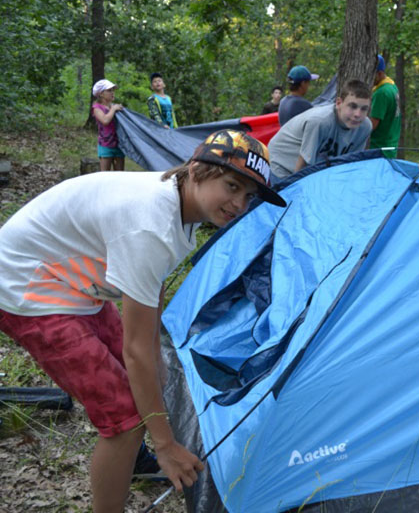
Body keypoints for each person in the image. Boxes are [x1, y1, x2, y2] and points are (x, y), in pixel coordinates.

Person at [0, 130, 286, 512]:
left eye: (248, 196)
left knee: (145, 379)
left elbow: (156, 287)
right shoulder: (149, 223)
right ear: (198, 170)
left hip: (72, 281)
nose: (238, 203)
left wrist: (155, 354)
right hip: (26, 285)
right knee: (126, 416)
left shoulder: (179, 202)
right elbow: (135, 352)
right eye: (231, 185)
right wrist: (165, 444)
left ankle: (130, 461)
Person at [267, 79, 373, 180]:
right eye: (352, 106)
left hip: (316, 165)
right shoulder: (320, 121)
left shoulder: (365, 127)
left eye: (364, 109)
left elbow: (351, 163)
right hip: (283, 163)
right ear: (339, 103)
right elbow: (303, 164)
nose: (358, 114)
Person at [370, 55, 401, 158]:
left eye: (371, 74)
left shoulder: (382, 93)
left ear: (379, 73)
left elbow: (372, 125)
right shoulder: (392, 85)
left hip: (379, 150)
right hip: (390, 146)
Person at [92, 79, 125, 172]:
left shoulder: (114, 107)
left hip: (118, 145)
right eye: (109, 90)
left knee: (120, 174)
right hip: (105, 145)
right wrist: (113, 109)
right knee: (105, 175)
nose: (112, 93)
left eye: (113, 90)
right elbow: (105, 120)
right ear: (101, 94)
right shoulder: (97, 108)